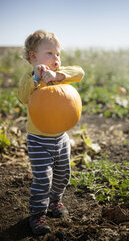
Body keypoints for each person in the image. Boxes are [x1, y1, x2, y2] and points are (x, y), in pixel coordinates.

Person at [18, 30, 84, 235]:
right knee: (43, 178)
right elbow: (22, 96)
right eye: (50, 53)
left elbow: (80, 72)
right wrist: (37, 78)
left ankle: (55, 202)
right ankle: (37, 215)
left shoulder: (60, 73)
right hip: (38, 139)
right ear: (33, 56)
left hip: (61, 137)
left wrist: (57, 75)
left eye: (58, 54)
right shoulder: (30, 78)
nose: (56, 58)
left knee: (63, 174)